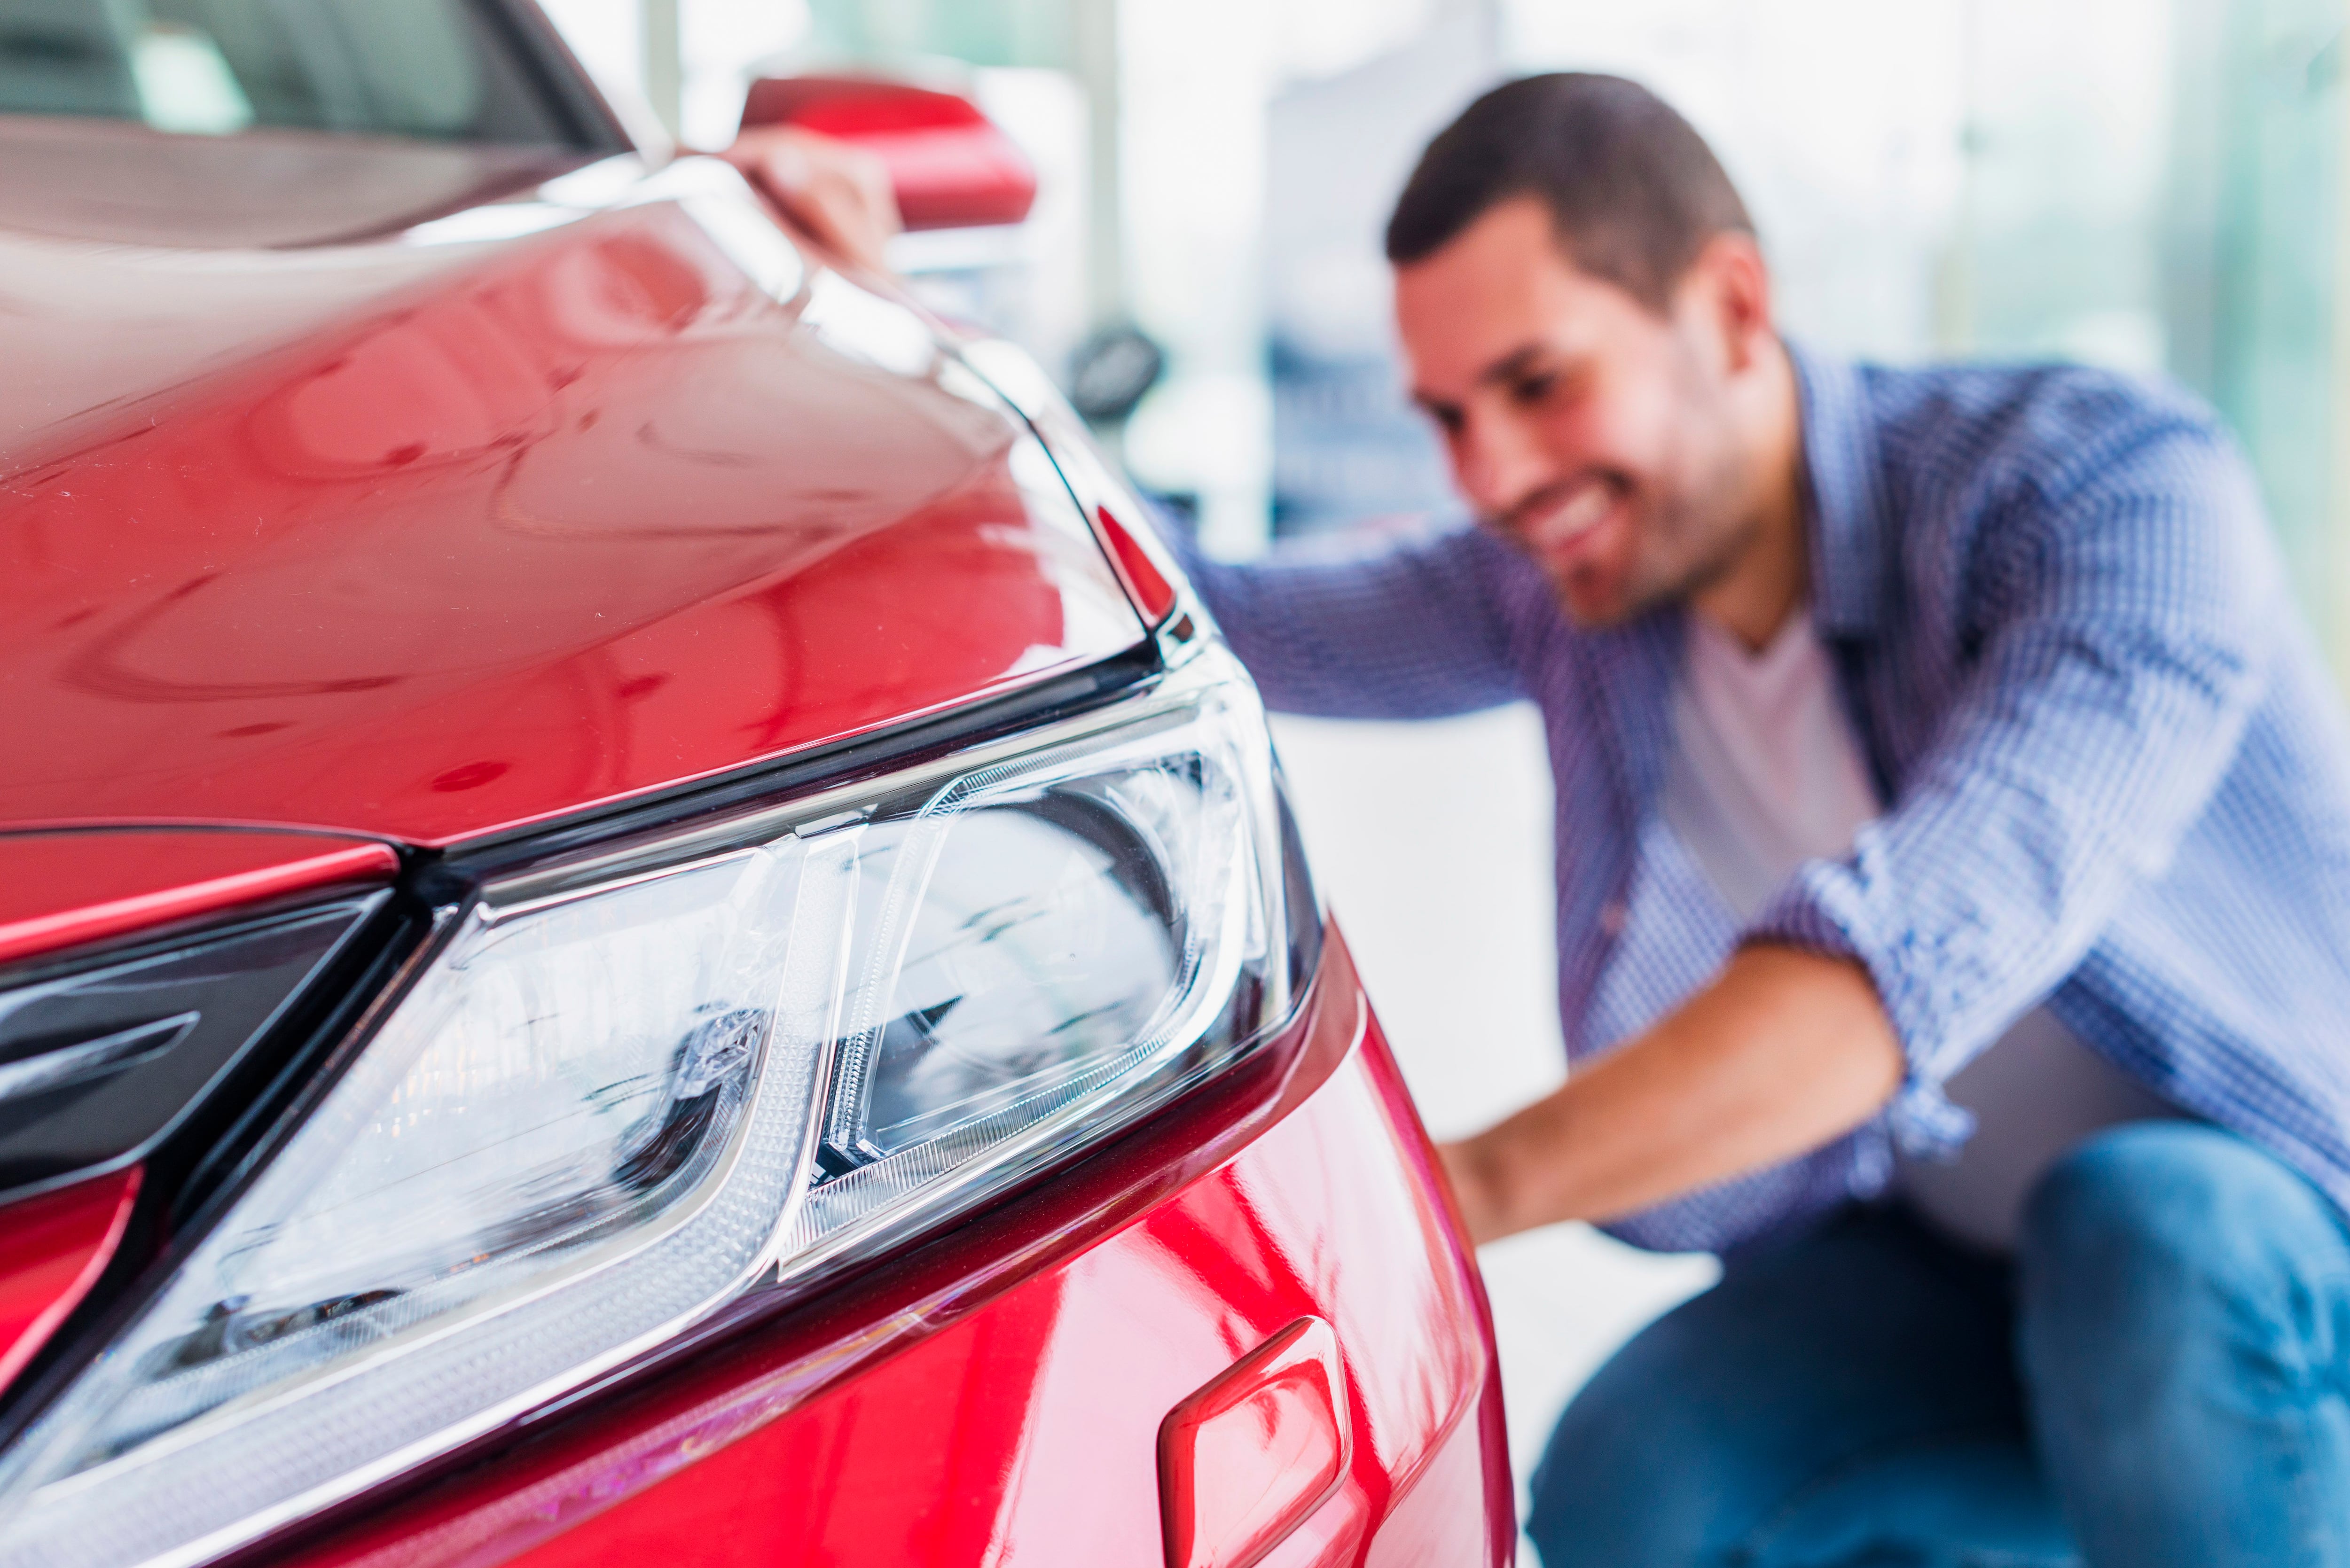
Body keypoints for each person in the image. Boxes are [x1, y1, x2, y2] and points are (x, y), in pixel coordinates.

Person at [734, 77, 2350, 1563]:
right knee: (1628, 1475)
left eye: (1539, 383)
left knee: (2146, 1229)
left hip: (2280, 1243)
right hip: (1943, 1247)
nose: (1495, 472)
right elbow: (1211, 609)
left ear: (1729, 307)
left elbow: (1911, 962)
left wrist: (1432, 1201)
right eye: (1448, 415)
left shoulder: (2106, 492)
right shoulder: (1576, 592)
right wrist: (906, 340)